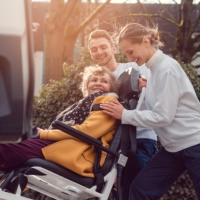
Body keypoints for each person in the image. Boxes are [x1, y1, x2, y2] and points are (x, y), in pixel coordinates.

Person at [100, 23, 200, 200]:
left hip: (194, 143)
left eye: (130, 52)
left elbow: (163, 116)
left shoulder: (166, 69)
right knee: (140, 190)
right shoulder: (153, 73)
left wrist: (124, 114)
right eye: (126, 54)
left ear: (145, 41)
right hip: (172, 148)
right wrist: (147, 89)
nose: (130, 58)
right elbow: (160, 104)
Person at [0, 65, 119, 178]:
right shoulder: (83, 103)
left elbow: (87, 131)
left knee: (7, 147)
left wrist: (43, 134)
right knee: (9, 145)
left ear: (111, 87)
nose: (98, 83)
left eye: (104, 81)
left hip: (76, 153)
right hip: (63, 145)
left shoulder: (108, 101)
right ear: (87, 85)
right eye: (94, 80)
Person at [88, 29, 158, 199]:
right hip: (111, 148)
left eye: (103, 47)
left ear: (113, 48)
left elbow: (156, 101)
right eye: (94, 49)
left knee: (135, 192)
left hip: (139, 140)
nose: (99, 52)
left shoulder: (134, 67)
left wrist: (146, 89)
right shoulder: (97, 80)